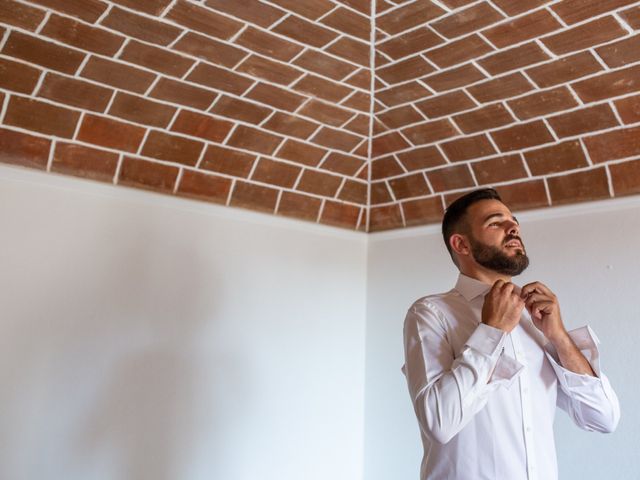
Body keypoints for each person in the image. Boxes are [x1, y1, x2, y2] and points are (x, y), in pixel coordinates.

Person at [402, 188, 620, 480]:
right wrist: (491, 331)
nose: (513, 227)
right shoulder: (430, 313)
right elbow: (439, 422)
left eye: (513, 221)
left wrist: (558, 337)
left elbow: (603, 418)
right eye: (495, 222)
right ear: (461, 244)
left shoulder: (536, 318)